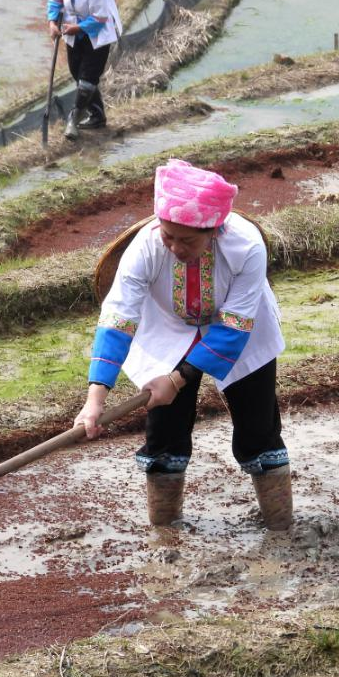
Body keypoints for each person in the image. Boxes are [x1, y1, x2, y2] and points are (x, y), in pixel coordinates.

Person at [74, 159, 293, 530]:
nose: (175, 247)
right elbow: (118, 318)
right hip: (167, 330)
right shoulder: (145, 247)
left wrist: (176, 380)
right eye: (168, 236)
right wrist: (95, 400)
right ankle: (165, 535)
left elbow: (234, 326)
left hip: (243, 331)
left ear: (214, 231)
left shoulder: (247, 247)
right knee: (164, 437)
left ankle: (281, 529)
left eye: (188, 240)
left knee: (259, 431)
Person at [47, 0, 122, 140]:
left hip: (97, 33)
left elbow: (100, 16)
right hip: (73, 33)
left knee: (88, 79)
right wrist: (53, 24)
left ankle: (73, 119)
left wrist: (78, 27)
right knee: (77, 73)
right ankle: (97, 116)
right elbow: (55, 0)